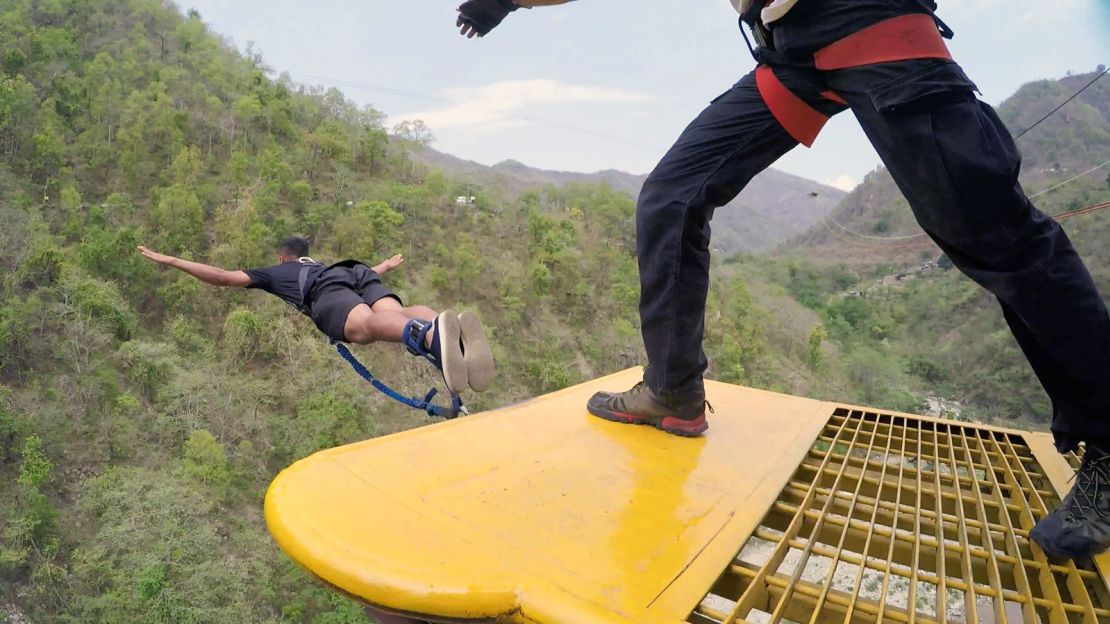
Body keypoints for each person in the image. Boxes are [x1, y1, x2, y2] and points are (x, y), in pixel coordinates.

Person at [457, 0, 1110, 559]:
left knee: (990, 232)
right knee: (671, 197)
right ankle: (672, 390)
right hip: (792, 54)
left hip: (864, 15)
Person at [137, 237, 495, 395]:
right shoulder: (320, 264)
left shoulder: (278, 273)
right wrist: (384, 266)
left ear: (281, 257)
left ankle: (428, 336)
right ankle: (440, 326)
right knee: (395, 312)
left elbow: (220, 277)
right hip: (355, 272)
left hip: (327, 294)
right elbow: (360, 274)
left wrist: (170, 260)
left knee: (364, 329)